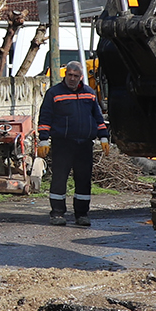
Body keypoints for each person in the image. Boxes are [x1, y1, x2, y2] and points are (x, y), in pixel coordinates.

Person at [37, 60, 108, 228]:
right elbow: (45, 118)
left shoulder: (89, 93)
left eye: (76, 76)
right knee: (59, 179)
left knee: (83, 180)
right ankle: (57, 213)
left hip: (84, 144)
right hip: (63, 144)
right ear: (65, 74)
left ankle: (82, 214)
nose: (72, 78)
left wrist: (104, 137)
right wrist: (43, 139)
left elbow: (98, 117)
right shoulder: (54, 93)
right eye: (69, 75)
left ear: (81, 77)